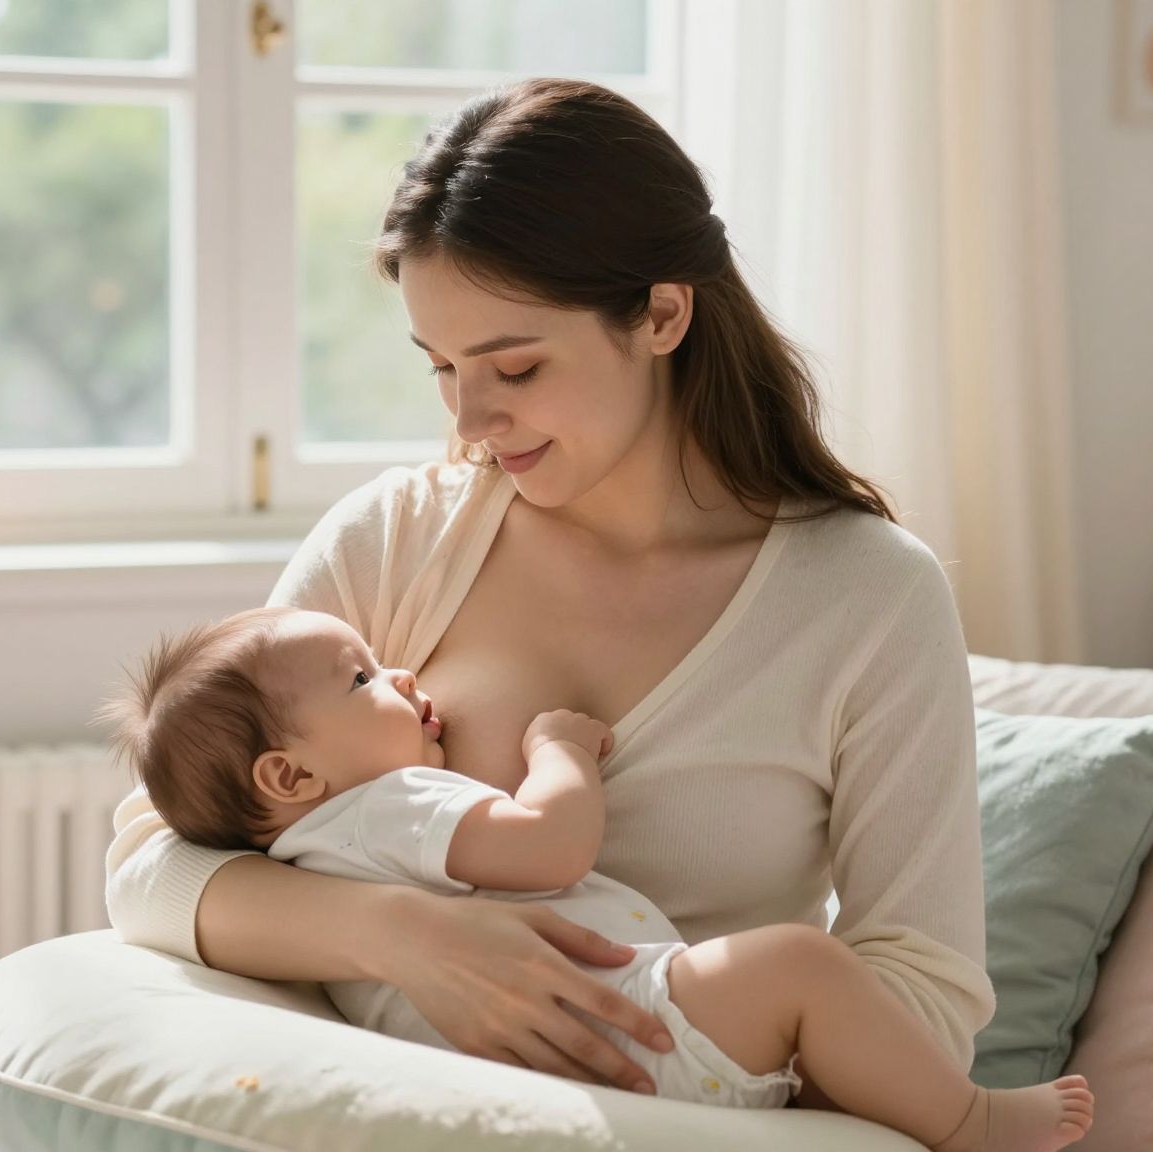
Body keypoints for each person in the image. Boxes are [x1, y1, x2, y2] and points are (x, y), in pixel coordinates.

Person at [105, 75, 993, 1108]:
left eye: (514, 368)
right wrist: (413, 938)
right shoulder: (396, 541)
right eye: (440, 367)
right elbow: (153, 872)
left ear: (661, 313)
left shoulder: (867, 599)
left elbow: (922, 998)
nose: (471, 418)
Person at [101, 606, 1094, 1152]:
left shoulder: (299, 848)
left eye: (515, 366)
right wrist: (556, 751)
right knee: (798, 965)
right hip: (629, 1019)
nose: (400, 675)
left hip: (560, 1061)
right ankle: (972, 1121)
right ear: (288, 775)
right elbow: (547, 848)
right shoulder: (390, 802)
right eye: (363, 678)